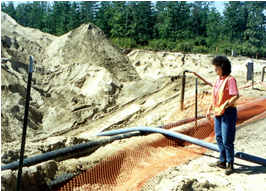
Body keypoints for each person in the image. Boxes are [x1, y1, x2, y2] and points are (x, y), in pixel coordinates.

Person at [206, 56, 239, 175]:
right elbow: (215, 96)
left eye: (217, 67)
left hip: (228, 112)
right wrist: (210, 108)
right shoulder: (218, 80)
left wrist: (227, 104)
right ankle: (222, 160)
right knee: (219, 137)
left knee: (227, 139)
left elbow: (235, 95)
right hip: (218, 112)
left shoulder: (230, 80)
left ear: (223, 67)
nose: (215, 69)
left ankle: (230, 163)